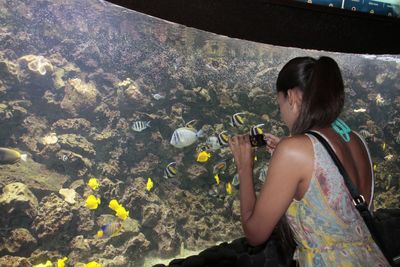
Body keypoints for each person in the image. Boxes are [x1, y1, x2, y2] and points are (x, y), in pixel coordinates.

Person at [229, 56, 389, 266]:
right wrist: (289, 155)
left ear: (292, 96)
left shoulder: (294, 150)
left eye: (280, 104)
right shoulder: (354, 139)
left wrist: (244, 166)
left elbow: (255, 233)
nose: (282, 113)